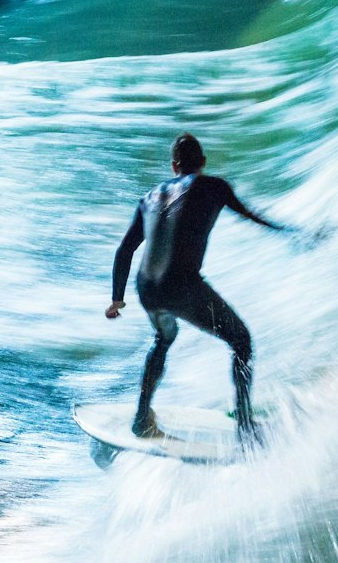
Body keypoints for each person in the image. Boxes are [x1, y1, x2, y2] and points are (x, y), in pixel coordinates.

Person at [107, 134, 299, 442]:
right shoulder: (214, 187)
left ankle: (142, 418)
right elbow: (253, 217)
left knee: (164, 337)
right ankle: (246, 429)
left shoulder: (149, 198)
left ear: (174, 167)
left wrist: (117, 299)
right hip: (181, 287)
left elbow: (125, 250)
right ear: (204, 163)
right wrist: (292, 232)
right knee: (242, 342)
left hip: (146, 289)